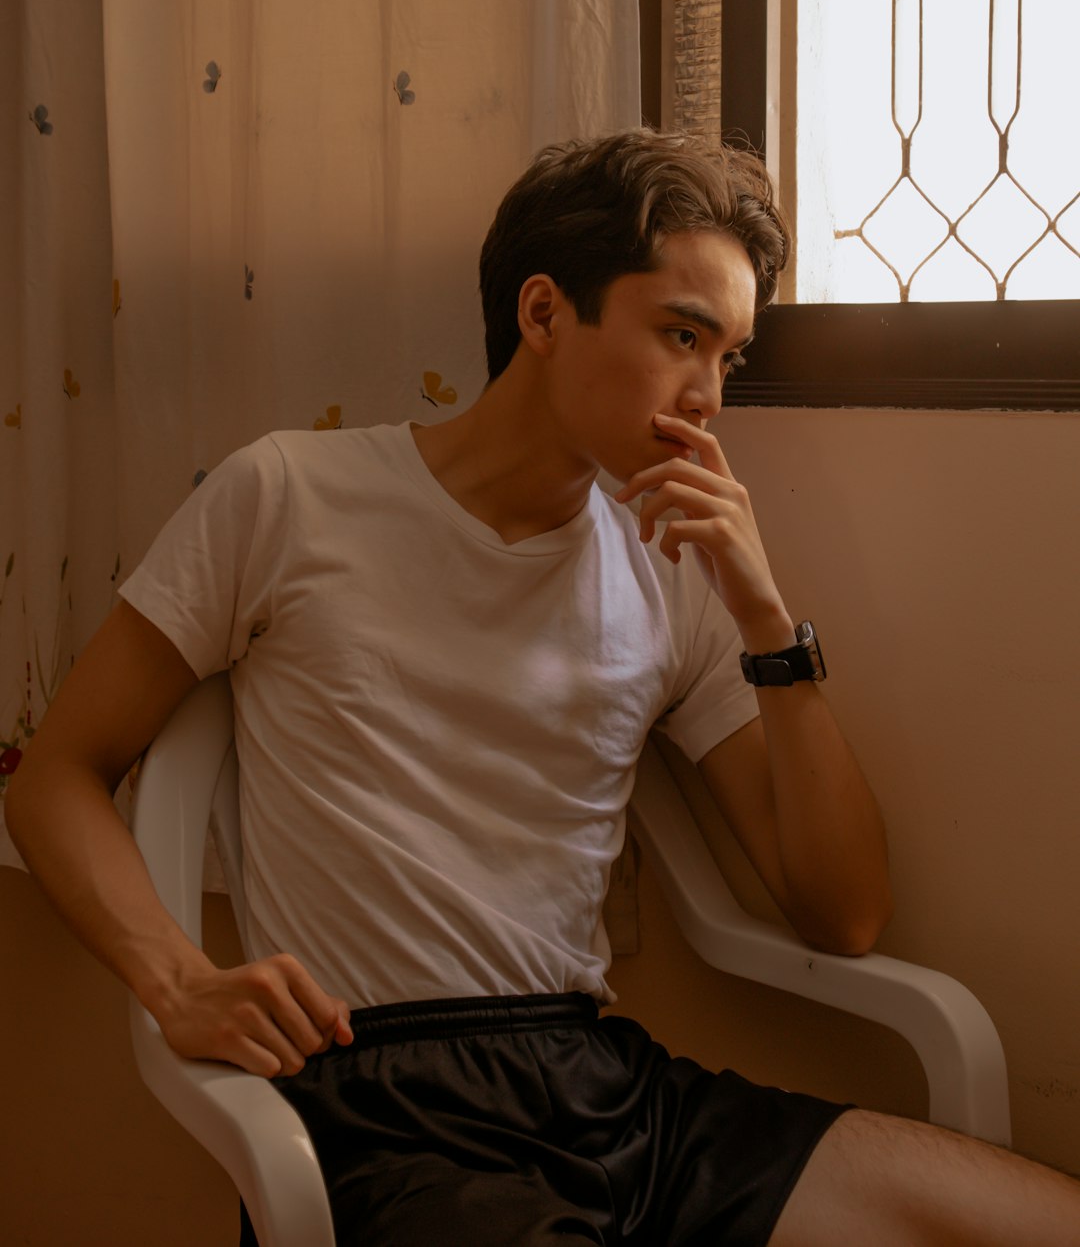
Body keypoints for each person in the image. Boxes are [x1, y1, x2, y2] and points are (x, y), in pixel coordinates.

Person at [6, 129, 1078, 1246]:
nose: (708, 395)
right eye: (681, 336)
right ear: (544, 316)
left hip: (610, 1090)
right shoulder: (286, 497)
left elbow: (845, 911)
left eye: (730, 358)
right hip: (383, 1105)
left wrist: (764, 615)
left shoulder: (671, 575)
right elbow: (55, 779)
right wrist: (177, 981)